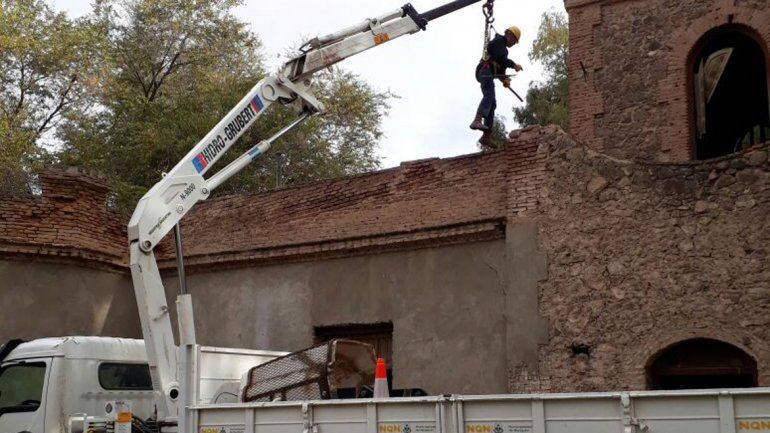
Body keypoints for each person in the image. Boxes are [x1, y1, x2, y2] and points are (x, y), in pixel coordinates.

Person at [470, 26, 524, 142]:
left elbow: (500, 69)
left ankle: (486, 135)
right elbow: (503, 60)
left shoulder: (503, 51)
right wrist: (514, 65)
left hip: (488, 72)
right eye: (514, 41)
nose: (514, 44)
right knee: (489, 95)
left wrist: (504, 79)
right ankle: (477, 120)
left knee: (492, 103)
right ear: (509, 35)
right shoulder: (499, 41)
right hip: (485, 70)